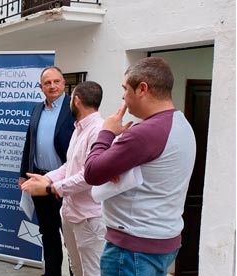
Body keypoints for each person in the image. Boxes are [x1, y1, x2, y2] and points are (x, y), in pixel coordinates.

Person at [83, 57, 196, 275]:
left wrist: (105, 133)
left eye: (125, 89)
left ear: (142, 88)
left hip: (132, 248)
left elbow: (92, 172)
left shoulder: (145, 133)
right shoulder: (180, 124)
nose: (123, 96)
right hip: (161, 239)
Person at [21, 81, 105, 276]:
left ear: (76, 101)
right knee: (76, 268)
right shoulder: (79, 128)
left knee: (91, 271)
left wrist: (52, 188)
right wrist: (46, 179)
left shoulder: (98, 131)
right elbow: (70, 165)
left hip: (89, 218)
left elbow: (88, 175)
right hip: (71, 212)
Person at [18, 66, 75, 276]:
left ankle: (74, 272)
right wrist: (23, 172)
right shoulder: (37, 109)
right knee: (48, 232)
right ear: (41, 87)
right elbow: (29, 142)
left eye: (56, 81)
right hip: (39, 180)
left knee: (69, 236)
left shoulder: (74, 108)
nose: (52, 86)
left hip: (64, 183)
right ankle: (52, 273)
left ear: (63, 83)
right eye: (47, 83)